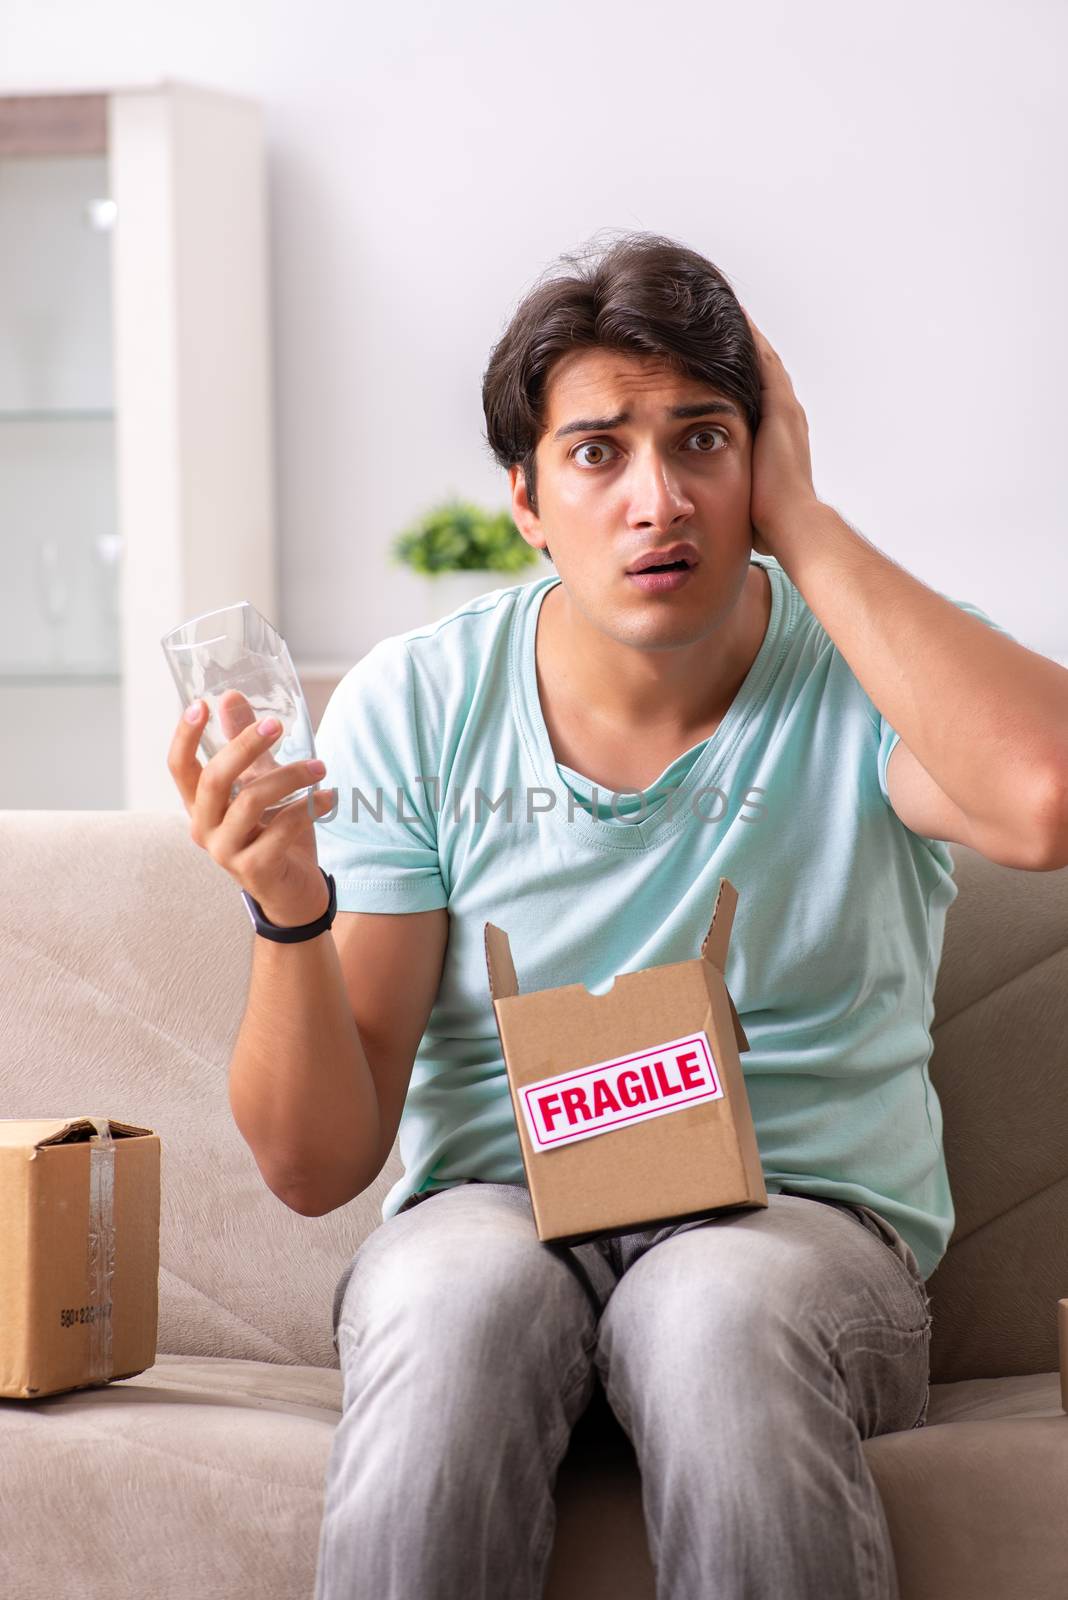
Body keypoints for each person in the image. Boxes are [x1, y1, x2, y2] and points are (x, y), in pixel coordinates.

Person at [167, 230, 1068, 1600]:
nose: (661, 498)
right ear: (525, 499)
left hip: (795, 1234)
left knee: (707, 1309)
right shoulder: (424, 700)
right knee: (454, 1298)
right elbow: (315, 1164)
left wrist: (809, 524)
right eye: (599, 453)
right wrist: (289, 909)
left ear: (759, 463)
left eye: (704, 441)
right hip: (492, 1217)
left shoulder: (865, 670)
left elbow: (1045, 802)